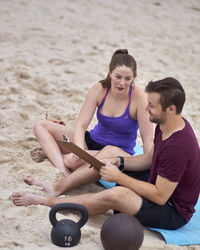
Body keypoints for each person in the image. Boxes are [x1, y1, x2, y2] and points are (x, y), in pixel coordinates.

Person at [12, 77, 200, 230]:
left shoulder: (178, 148)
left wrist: (119, 177)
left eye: (151, 105)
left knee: (116, 195)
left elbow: (160, 196)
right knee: (110, 153)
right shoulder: (166, 123)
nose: (146, 109)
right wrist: (118, 162)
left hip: (170, 209)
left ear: (171, 109)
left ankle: (47, 201)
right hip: (155, 180)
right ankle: (58, 186)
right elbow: (150, 159)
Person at [31, 49, 153, 175]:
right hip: (92, 140)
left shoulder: (140, 98)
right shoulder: (99, 89)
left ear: (134, 77)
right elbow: (81, 125)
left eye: (128, 78)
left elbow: (148, 140)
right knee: (40, 126)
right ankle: (63, 169)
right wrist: (79, 148)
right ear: (110, 73)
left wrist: (149, 167)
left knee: (74, 162)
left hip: (116, 153)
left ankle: (54, 155)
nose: (122, 83)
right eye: (118, 77)